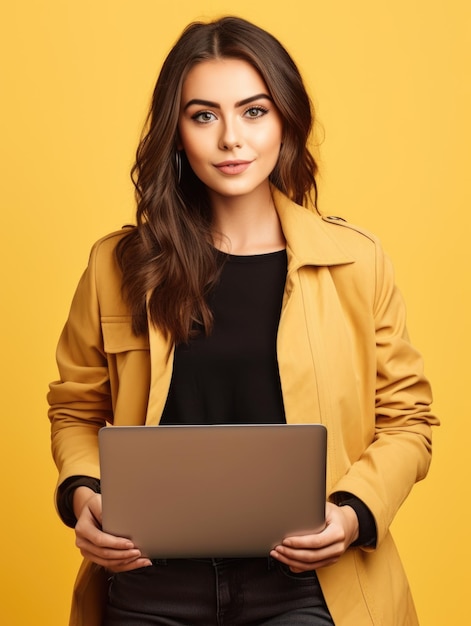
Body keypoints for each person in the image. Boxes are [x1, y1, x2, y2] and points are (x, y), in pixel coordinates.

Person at [48, 15, 438, 626]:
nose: (231, 138)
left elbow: (408, 419)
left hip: (306, 586)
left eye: (253, 111)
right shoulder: (116, 265)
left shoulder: (357, 262)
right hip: (149, 583)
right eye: (203, 115)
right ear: (176, 133)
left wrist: (353, 512)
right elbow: (75, 409)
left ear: (285, 119)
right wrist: (84, 495)